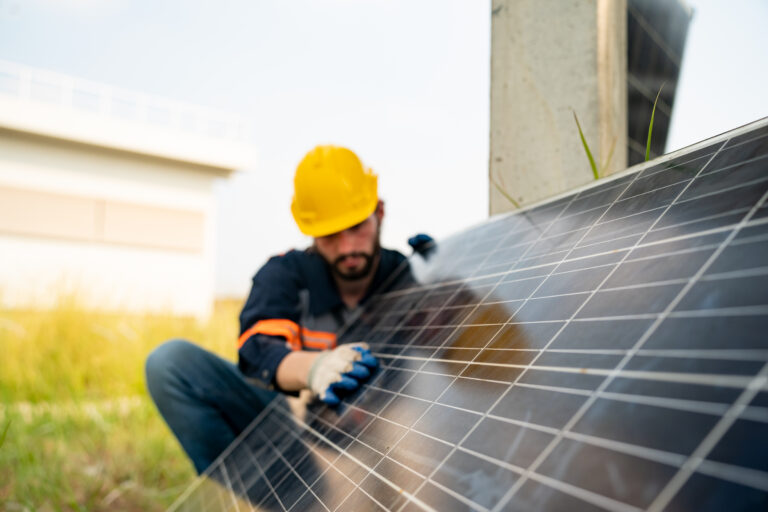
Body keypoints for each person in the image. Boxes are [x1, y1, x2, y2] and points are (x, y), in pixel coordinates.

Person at [145, 145, 429, 474]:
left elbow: (455, 346)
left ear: (379, 213)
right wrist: (315, 368)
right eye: (330, 235)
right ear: (310, 233)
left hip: (394, 437)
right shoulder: (286, 276)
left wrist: (453, 267)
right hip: (301, 438)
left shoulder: (406, 275)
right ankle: (273, 495)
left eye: (357, 227)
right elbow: (259, 351)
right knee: (171, 364)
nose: (348, 247)